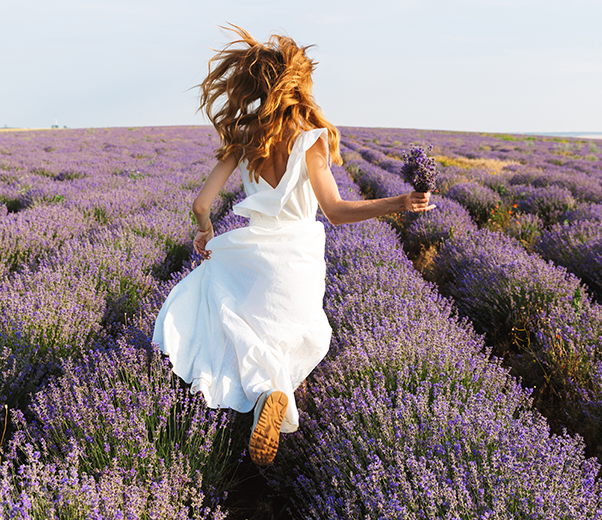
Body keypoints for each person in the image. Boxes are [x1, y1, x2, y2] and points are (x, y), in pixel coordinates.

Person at [152, 24, 434, 466]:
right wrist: (399, 202)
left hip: (248, 253)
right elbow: (336, 210)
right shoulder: (310, 140)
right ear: (297, 84)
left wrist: (206, 233)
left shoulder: (243, 138)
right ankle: (276, 397)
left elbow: (201, 202)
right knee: (289, 337)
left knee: (237, 329)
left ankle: (268, 395)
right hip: (296, 259)